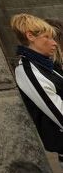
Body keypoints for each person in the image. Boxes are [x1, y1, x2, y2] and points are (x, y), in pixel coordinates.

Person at [10, 13, 63, 161]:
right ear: (30, 36)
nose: (55, 43)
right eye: (48, 37)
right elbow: (59, 113)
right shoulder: (28, 70)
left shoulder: (45, 65)